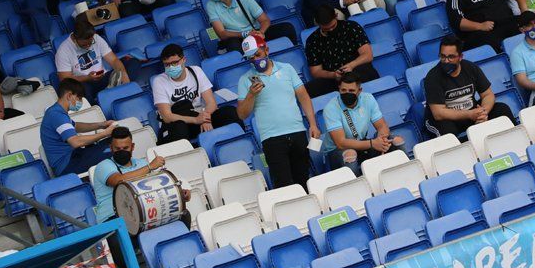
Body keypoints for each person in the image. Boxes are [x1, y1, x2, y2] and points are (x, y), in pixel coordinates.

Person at [92, 127, 191, 268]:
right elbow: (119, 180)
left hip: (144, 216)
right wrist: (150, 167)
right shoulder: (103, 166)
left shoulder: (141, 164)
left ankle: (180, 265)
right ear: (111, 148)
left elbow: (157, 188)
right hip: (114, 218)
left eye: (125, 148)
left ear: (132, 147)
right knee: (115, 238)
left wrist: (180, 194)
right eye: (117, 149)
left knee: (183, 215)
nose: (121, 151)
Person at [237, 34, 321, 189]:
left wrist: (313, 124)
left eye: (257, 54)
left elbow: (303, 97)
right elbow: (242, 114)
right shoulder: (245, 80)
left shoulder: (287, 68)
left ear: (266, 50)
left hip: (297, 131)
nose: (255, 60)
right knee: (284, 185)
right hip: (271, 138)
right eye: (250, 58)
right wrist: (251, 94)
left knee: (303, 179)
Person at [423, 35, 515, 137]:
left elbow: (488, 95)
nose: (446, 61)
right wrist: (469, 114)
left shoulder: (470, 68)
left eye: (451, 57)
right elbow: (439, 113)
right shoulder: (433, 77)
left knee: (502, 109)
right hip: (447, 119)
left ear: (460, 57)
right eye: (443, 56)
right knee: (447, 133)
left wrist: (483, 113)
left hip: (471, 113)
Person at [152, 44, 241, 144]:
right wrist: (196, 120)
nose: (171, 67)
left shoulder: (196, 71)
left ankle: (236, 145)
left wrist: (205, 119)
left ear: (183, 60)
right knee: (180, 128)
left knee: (230, 112)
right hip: (178, 123)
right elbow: (167, 117)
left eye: (175, 63)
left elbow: (211, 103)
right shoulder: (159, 81)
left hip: (199, 116)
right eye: (167, 64)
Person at [323, 72, 404, 174]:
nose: (347, 93)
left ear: (359, 91)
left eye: (351, 90)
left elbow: (382, 126)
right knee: (350, 155)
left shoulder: (368, 99)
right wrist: (372, 143)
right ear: (339, 89)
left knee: (397, 140)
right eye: (343, 90)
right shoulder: (331, 108)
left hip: (362, 142)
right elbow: (341, 143)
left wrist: (382, 140)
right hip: (337, 151)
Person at [206, 0, 298, 53]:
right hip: (236, 38)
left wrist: (261, 33)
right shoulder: (211, 5)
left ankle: (294, 54)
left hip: (255, 33)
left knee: (287, 28)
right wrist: (244, 34)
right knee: (233, 45)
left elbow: (265, 20)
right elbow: (222, 34)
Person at [41, 78, 116, 176]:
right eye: (79, 98)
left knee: (113, 142)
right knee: (115, 151)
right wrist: (105, 133)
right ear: (69, 95)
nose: (80, 101)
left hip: (74, 157)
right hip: (67, 166)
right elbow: (76, 142)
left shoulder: (56, 112)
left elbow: (76, 126)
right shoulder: (56, 115)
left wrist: (102, 125)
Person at [305, 5, 379, 97]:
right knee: (307, 90)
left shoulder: (351, 27)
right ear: (318, 23)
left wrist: (351, 65)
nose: (331, 30)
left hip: (356, 70)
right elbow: (316, 71)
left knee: (367, 71)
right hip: (333, 77)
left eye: (332, 26)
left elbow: (367, 55)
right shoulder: (313, 40)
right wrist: (333, 75)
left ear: (336, 16)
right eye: (326, 29)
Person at [56, 15, 129, 103]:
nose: (88, 46)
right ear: (75, 39)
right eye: (84, 45)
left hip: (103, 77)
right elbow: (65, 79)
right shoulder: (63, 50)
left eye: (90, 43)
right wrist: (87, 78)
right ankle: (100, 104)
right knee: (81, 90)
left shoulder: (97, 38)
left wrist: (123, 73)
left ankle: (112, 88)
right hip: (84, 83)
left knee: (131, 63)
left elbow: (113, 60)